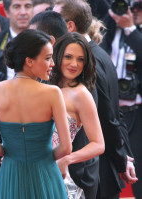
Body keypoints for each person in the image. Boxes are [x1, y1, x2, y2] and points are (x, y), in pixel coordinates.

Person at [53, 0, 138, 198]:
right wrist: (123, 156)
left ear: (70, 25)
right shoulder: (98, 53)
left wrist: (121, 159)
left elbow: (108, 116)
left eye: (56, 19)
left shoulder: (87, 61)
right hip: (99, 166)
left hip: (95, 171)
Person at [0, 28, 72, 199]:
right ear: (29, 61)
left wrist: (12, 153)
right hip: (45, 172)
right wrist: (42, 157)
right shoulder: (52, 93)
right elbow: (66, 147)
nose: (53, 63)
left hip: (10, 173)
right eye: (47, 58)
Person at [0, 0, 34, 197]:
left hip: (37, 126)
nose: (22, 12)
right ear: (7, 11)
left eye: (27, 6)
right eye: (17, 6)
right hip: (0, 128)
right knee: (0, 183)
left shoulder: (45, 43)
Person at [51, 32, 105, 199]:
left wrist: (67, 160)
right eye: (68, 57)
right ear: (58, 56)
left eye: (80, 59)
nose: (74, 64)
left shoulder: (81, 94)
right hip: (32, 171)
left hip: (58, 178)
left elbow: (98, 144)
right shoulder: (44, 85)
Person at [104, 1, 142, 197]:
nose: (133, 12)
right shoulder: (107, 29)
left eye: (139, 7)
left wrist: (131, 29)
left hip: (137, 112)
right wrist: (113, 18)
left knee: (139, 178)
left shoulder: (136, 33)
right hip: (111, 114)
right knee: (110, 175)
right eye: (129, 7)